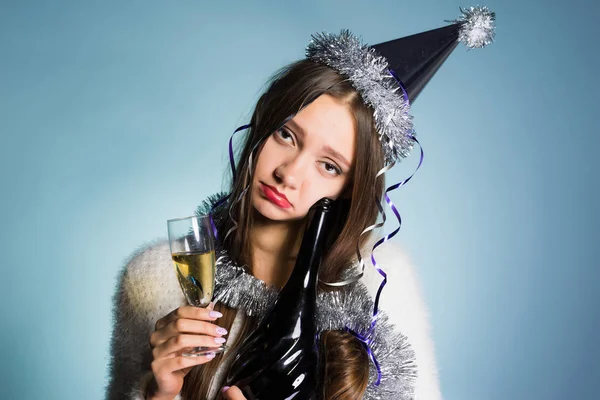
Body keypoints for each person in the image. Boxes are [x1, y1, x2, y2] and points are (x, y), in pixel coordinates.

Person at [106, 7, 494, 400]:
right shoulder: (156, 277)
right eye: (287, 136)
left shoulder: (384, 284)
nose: (289, 174)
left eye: (328, 165)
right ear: (262, 125)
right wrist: (159, 394)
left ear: (349, 187)